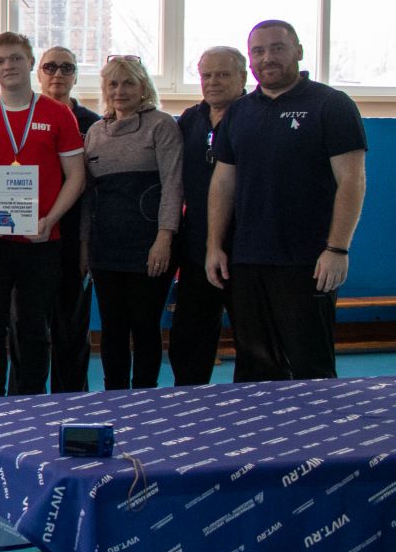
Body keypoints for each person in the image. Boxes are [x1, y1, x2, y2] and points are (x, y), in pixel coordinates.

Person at [205, 20, 367, 382]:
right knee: (255, 368)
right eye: (258, 51)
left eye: (277, 48)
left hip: (308, 261)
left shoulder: (331, 105)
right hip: (247, 261)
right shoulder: (239, 112)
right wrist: (214, 246)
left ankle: (318, 421)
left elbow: (352, 180)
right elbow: (223, 183)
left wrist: (337, 249)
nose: (267, 58)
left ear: (298, 52)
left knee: (310, 366)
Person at [0, 33, 86, 397]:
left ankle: (30, 402)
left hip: (41, 240)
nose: (8, 66)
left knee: (33, 329)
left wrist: (50, 220)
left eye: (15, 58)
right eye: (0, 61)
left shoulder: (58, 114)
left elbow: (76, 176)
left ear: (30, 63)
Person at [82, 56, 182, 390]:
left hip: (149, 246)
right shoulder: (95, 132)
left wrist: (164, 238)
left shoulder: (161, 125)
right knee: (112, 327)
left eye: (128, 83)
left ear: (143, 87)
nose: (120, 90)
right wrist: (85, 246)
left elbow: (173, 185)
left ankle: (144, 393)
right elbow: (88, 196)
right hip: (106, 247)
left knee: (144, 325)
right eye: (113, 84)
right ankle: (115, 394)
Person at [27, 45, 103, 392]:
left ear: (76, 76)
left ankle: (72, 398)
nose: (58, 74)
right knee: (29, 323)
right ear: (38, 73)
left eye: (67, 68)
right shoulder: (21, 116)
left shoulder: (93, 124)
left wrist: (88, 242)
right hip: (29, 233)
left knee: (71, 323)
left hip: (74, 233)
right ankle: (28, 399)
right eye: (50, 67)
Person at [169, 47, 246, 385]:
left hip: (246, 249)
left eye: (223, 74)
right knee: (189, 336)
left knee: (252, 337)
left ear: (243, 77)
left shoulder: (254, 116)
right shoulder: (191, 119)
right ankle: (189, 399)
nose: (213, 82)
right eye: (206, 75)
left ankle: (252, 402)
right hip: (198, 247)